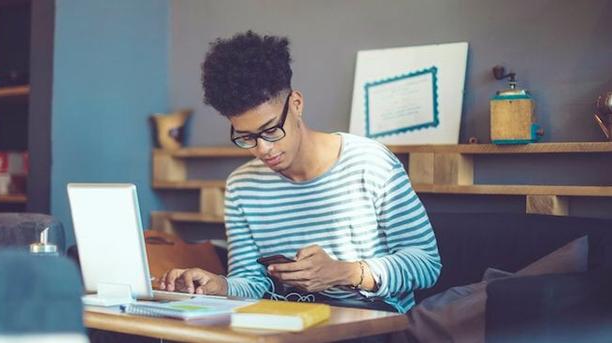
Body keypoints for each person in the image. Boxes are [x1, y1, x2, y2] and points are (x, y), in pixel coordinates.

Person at [157, 31, 441, 313]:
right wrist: (220, 286)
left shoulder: (370, 162)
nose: (263, 149)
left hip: (373, 323)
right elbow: (253, 283)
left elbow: (427, 264)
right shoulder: (242, 186)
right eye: (247, 137)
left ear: (296, 104)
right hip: (288, 323)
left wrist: (347, 272)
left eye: (270, 130)